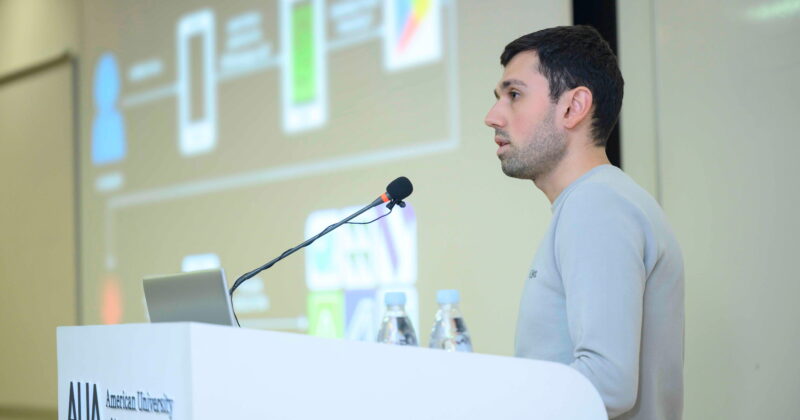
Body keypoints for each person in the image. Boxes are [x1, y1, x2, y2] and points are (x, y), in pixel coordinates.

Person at [484, 26, 684, 420]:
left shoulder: (596, 203)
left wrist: (486, 406)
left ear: (573, 107)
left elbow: (606, 384)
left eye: (515, 95)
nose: (493, 117)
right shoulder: (597, 201)